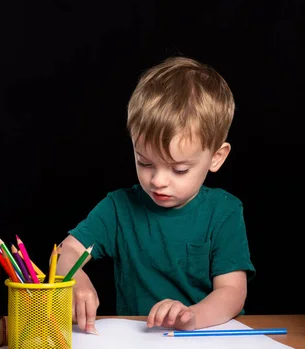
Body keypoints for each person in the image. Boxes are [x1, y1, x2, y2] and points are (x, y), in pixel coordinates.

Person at [56, 56, 255, 334]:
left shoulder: (224, 211)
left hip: (206, 345)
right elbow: (67, 251)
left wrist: (192, 316)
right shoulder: (118, 207)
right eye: (145, 162)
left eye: (179, 169)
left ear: (216, 158)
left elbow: (233, 292)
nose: (158, 181)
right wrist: (73, 275)